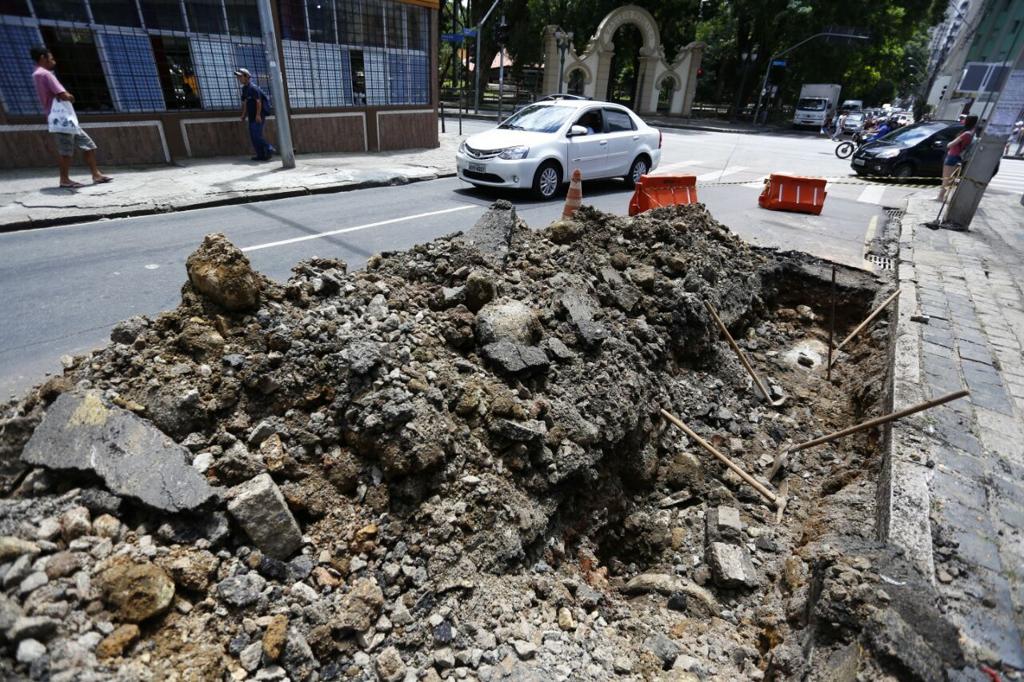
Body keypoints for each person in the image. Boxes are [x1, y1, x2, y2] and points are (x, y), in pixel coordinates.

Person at [30, 45, 112, 189]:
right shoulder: (45, 74)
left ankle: (96, 174)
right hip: (62, 120)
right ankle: (64, 179)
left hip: (65, 120)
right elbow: (63, 95)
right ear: (43, 58)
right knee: (66, 152)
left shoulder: (36, 74)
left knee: (88, 145)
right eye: (51, 58)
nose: (53, 61)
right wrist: (71, 97)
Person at [235, 67, 275, 161]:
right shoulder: (244, 89)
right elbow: (245, 102)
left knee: (256, 136)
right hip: (251, 116)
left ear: (247, 77)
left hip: (258, 116)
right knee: (253, 137)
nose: (239, 79)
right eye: (238, 77)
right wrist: (244, 115)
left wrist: (258, 115)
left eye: (241, 76)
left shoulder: (253, 88)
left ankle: (269, 148)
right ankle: (261, 155)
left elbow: (258, 102)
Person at [937, 114, 978, 202]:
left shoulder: (966, 134)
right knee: (950, 179)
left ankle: (940, 197)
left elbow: (950, 145)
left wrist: (949, 143)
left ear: (967, 121)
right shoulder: (971, 134)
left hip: (952, 156)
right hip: (958, 157)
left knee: (946, 178)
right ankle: (943, 196)